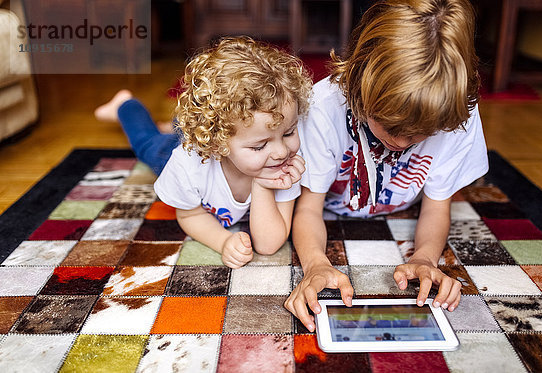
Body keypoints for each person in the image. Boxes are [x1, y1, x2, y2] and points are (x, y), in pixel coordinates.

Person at [285, 0, 489, 332]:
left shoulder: (457, 113)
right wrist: (315, 265)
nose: (405, 143)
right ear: (360, 84)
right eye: (392, 128)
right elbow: (308, 209)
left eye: (423, 134)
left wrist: (424, 258)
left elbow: (437, 206)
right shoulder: (322, 109)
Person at [95, 37, 313, 268]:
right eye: (259, 146)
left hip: (217, 131)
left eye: (289, 133)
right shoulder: (186, 164)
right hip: (177, 150)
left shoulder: (284, 164)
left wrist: (262, 187)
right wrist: (223, 241)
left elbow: (268, 245)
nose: (281, 152)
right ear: (218, 144)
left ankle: (178, 123)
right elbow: (189, 215)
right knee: (146, 143)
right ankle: (126, 105)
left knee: (193, 122)